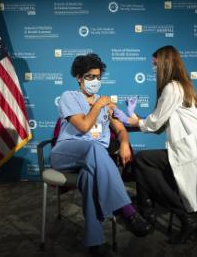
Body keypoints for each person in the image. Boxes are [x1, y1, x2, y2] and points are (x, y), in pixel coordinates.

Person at [113, 45, 197, 244]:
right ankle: (149, 211)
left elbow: (155, 123)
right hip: (196, 146)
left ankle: (183, 216)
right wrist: (133, 116)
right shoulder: (181, 85)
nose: (154, 69)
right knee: (144, 164)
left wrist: (130, 120)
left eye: (155, 65)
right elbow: (160, 124)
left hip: (193, 149)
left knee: (142, 162)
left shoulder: (171, 87)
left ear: (165, 64)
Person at [49, 53, 153, 255]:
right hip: (65, 153)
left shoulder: (106, 103)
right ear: (79, 78)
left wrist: (123, 143)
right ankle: (128, 211)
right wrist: (97, 105)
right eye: (90, 77)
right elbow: (85, 126)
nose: (95, 81)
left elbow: (121, 129)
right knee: (96, 148)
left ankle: (93, 239)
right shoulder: (69, 97)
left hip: (93, 160)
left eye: (97, 77)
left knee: (90, 176)